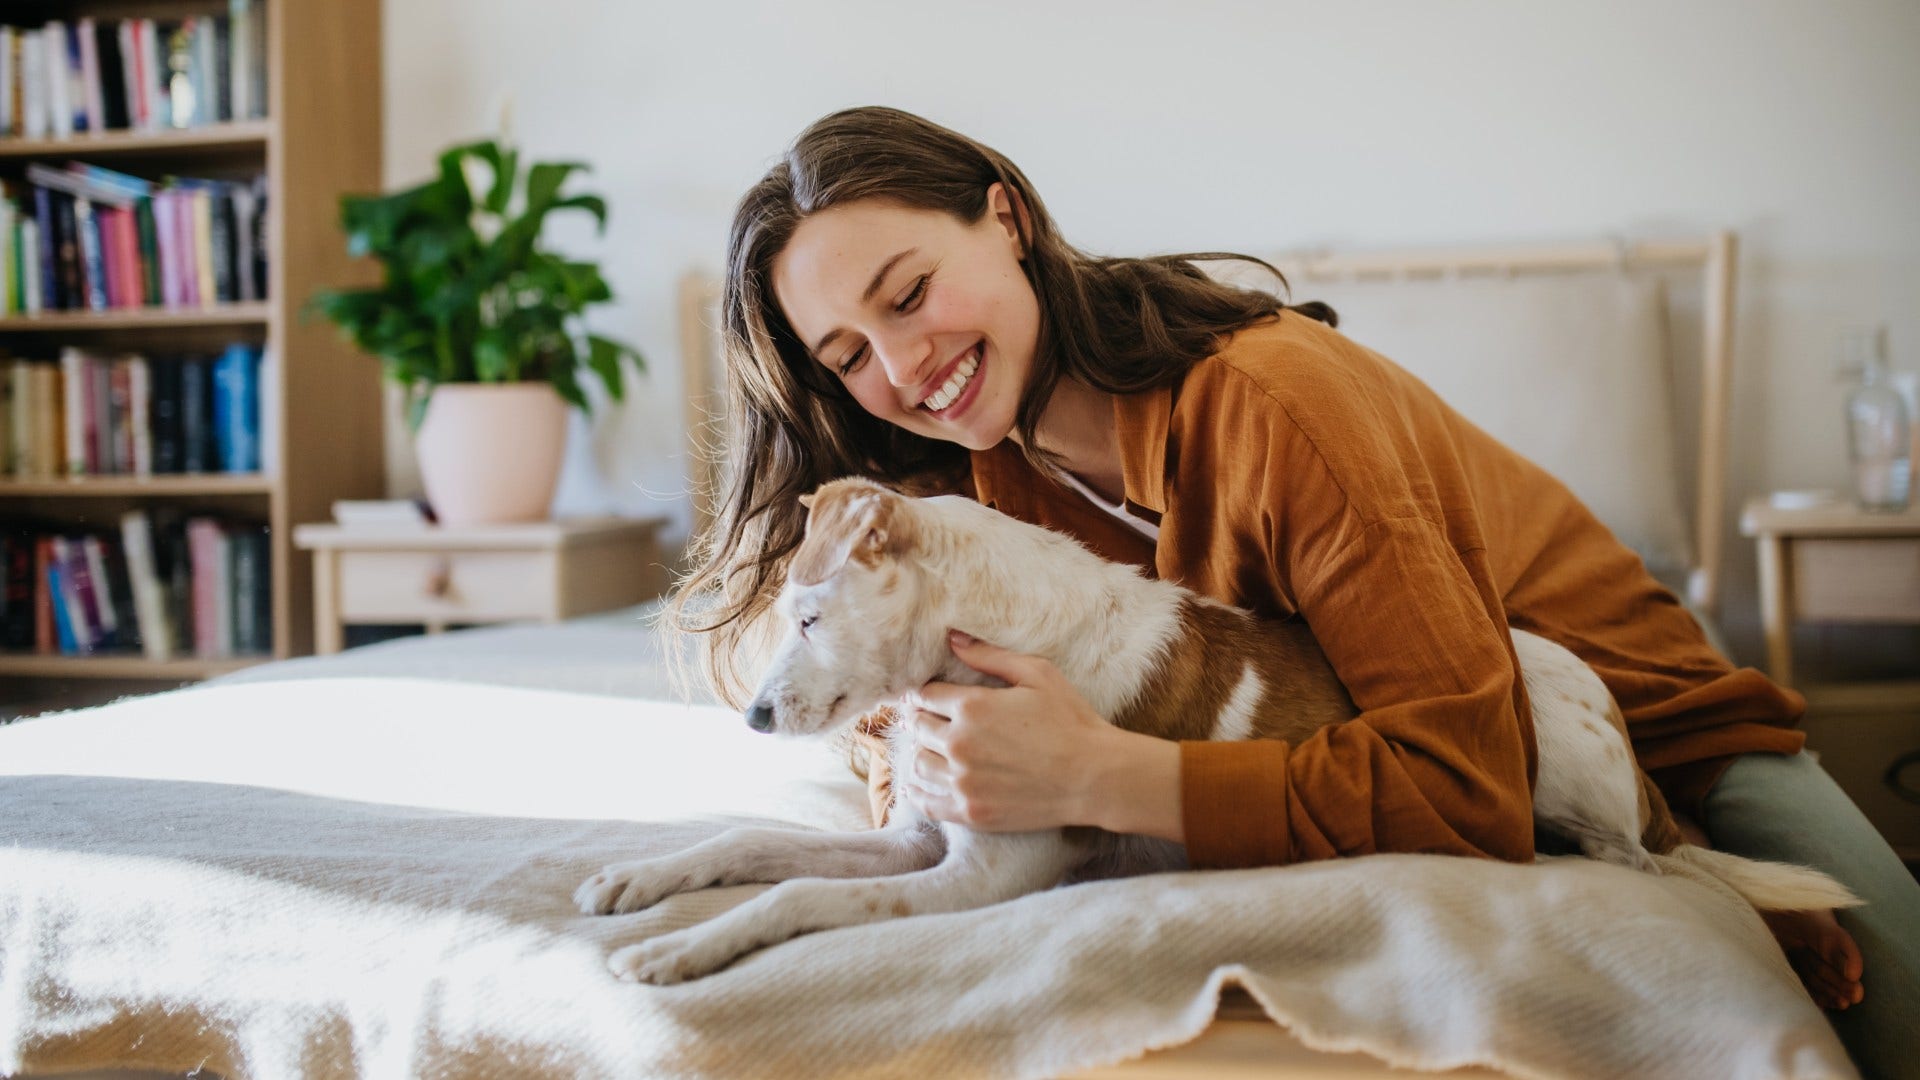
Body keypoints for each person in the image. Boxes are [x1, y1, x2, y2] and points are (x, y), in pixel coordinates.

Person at [672, 105, 1919, 1076]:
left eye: (910, 294)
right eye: (849, 357)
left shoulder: (1278, 406)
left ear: (1007, 219)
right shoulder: (989, 491)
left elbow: (1468, 775)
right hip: (1442, 742)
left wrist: (1099, 776)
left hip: (1663, 738)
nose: (903, 364)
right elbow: (917, 723)